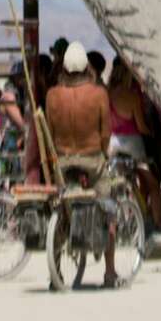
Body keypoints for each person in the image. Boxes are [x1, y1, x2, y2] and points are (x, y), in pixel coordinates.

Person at [45, 41, 119, 287]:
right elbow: (106, 133)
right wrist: (104, 154)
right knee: (108, 209)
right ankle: (110, 272)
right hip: (92, 161)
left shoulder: (53, 95)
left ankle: (55, 271)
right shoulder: (98, 94)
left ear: (63, 68)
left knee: (59, 210)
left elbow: (51, 132)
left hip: (64, 162)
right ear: (87, 67)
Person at [108, 58, 161, 226]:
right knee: (152, 184)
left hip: (114, 142)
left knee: (115, 183)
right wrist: (153, 134)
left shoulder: (108, 93)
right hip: (133, 143)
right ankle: (158, 222)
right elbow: (141, 127)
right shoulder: (131, 95)